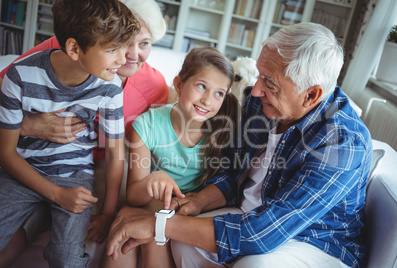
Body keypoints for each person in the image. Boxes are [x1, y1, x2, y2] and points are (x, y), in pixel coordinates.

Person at [105, 22, 373, 268]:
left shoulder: (342, 142)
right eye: (259, 75)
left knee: (253, 266)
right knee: (184, 241)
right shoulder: (264, 103)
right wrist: (197, 202)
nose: (254, 90)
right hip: (251, 214)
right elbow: (234, 174)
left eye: (269, 82)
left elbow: (263, 232)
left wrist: (158, 224)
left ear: (311, 94)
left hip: (312, 242)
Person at [0, 0, 168, 266]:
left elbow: (120, 152)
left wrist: (108, 212)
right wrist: (29, 126)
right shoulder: (32, 68)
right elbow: (6, 149)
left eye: (144, 43)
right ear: (74, 48)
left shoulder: (125, 84)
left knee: (66, 253)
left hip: (77, 172)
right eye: (119, 45)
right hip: (26, 165)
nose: (128, 56)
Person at [102, 46, 239, 268]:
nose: (207, 100)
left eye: (218, 94)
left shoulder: (222, 132)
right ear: (178, 84)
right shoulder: (147, 124)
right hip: (152, 204)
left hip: (188, 209)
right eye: (201, 86)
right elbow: (134, 196)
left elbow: (224, 186)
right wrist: (152, 180)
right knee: (125, 218)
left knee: (153, 238)